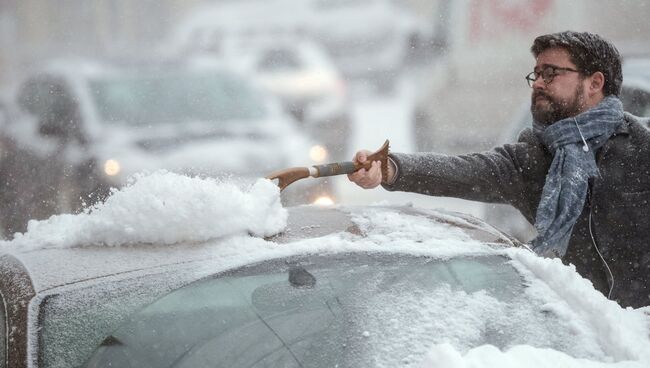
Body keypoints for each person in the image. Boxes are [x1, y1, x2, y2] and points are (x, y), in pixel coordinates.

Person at [348, 31, 650, 309]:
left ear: (595, 83)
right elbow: (464, 170)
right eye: (537, 73)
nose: (539, 83)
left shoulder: (642, 146)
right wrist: (391, 168)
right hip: (589, 335)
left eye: (551, 73)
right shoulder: (532, 158)